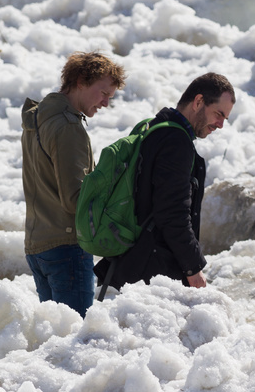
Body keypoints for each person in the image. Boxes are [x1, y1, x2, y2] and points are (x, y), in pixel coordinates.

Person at [98, 72, 235, 291]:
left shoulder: (155, 127)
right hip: (153, 274)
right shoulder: (176, 142)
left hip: (130, 263)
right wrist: (193, 269)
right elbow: (172, 213)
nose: (220, 125)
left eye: (225, 118)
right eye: (218, 114)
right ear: (198, 102)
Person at [21, 51, 126, 317]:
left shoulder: (37, 119)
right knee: (75, 342)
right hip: (65, 246)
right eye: (103, 93)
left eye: (110, 97)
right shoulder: (68, 127)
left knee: (55, 338)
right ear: (80, 81)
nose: (105, 103)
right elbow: (76, 198)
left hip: (38, 244)